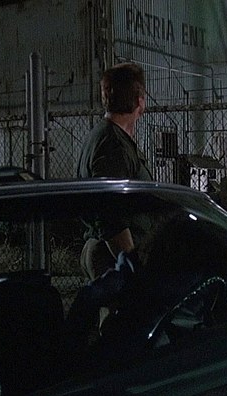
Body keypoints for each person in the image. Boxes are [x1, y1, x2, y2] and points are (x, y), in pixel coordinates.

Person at [77, 62, 153, 281]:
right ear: (140, 101)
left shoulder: (105, 136)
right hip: (113, 257)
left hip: (109, 254)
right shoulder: (113, 145)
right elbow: (111, 214)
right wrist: (132, 266)